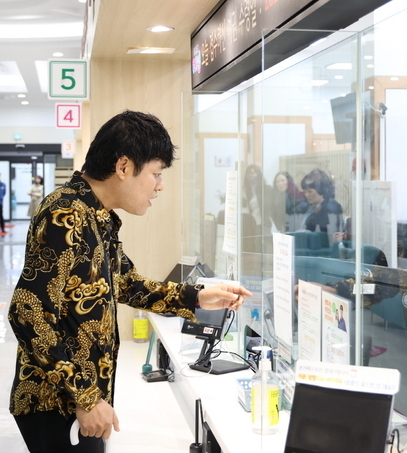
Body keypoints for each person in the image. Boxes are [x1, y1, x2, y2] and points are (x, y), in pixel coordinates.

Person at [8, 110, 254, 453]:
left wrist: (197, 297)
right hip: (57, 401)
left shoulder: (98, 216)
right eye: (156, 173)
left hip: (79, 396)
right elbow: (26, 311)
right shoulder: (66, 214)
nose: (160, 185)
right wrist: (86, 396)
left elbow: (126, 284)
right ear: (123, 166)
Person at [299, 169, 344, 244]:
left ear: (321, 190)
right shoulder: (308, 207)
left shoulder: (331, 208)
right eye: (305, 192)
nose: (307, 195)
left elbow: (329, 236)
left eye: (310, 191)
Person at [242, 164, 273, 233]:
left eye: (253, 172)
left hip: (264, 225)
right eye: (248, 173)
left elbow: (269, 207)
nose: (250, 175)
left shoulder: (266, 189)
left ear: (258, 174)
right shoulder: (248, 193)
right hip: (252, 224)